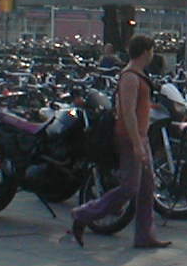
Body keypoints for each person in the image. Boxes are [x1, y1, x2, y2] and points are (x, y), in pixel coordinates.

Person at [70, 34, 170, 249]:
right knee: (129, 188)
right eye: (152, 50)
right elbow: (127, 112)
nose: (153, 55)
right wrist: (136, 143)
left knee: (146, 188)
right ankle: (84, 213)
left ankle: (145, 235)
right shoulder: (130, 77)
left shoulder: (138, 75)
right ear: (145, 51)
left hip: (140, 135)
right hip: (130, 137)